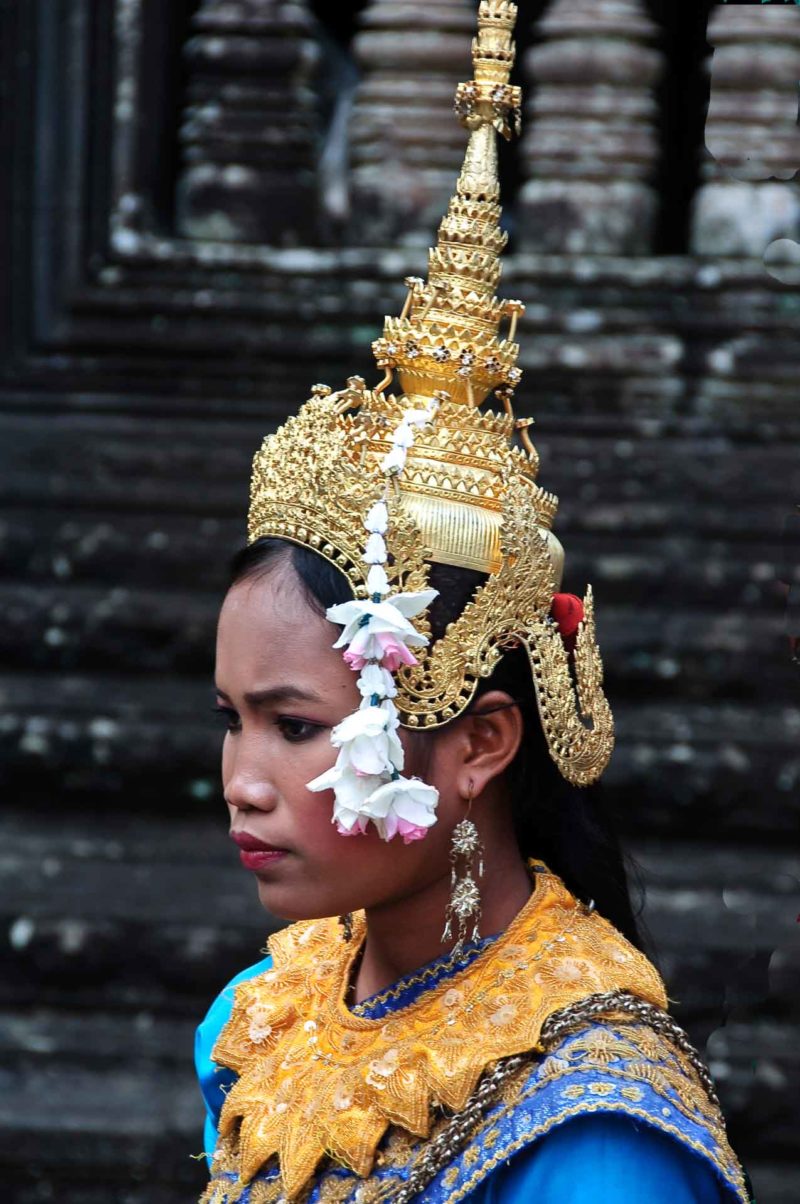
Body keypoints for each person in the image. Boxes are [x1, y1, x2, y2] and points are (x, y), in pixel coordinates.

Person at [194, 3, 752, 1201]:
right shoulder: (256, 1020)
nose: (242, 776)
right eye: (233, 717)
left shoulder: (593, 1131)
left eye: (294, 725)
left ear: (478, 741)